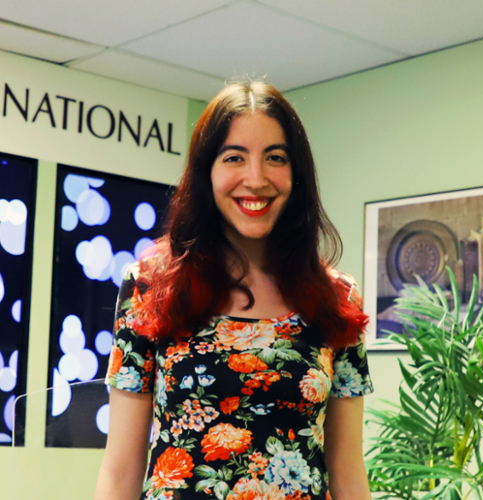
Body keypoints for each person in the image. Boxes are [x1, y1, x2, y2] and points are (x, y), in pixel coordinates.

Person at [94, 81, 374, 500]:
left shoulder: (336, 300)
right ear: (206, 172)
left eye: (275, 158)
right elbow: (120, 471)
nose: (256, 178)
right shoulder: (151, 287)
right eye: (234, 157)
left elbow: (349, 472)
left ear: (297, 174)